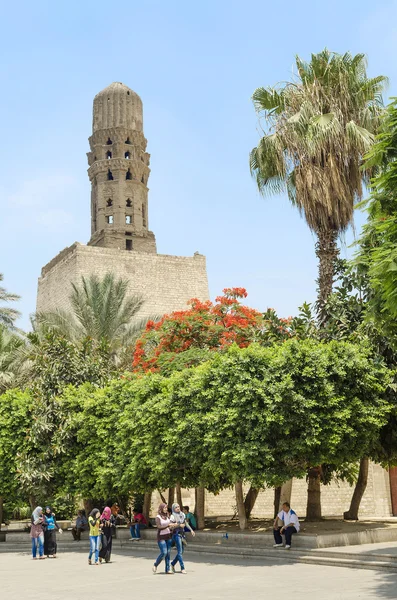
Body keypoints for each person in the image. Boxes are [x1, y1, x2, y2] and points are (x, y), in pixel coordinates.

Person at [152, 502, 178, 574]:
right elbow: (159, 527)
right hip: (161, 537)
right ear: (161, 508)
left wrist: (173, 526)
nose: (166, 509)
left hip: (168, 536)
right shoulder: (158, 517)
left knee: (168, 553)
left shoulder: (167, 516)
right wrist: (168, 525)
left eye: (166, 508)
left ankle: (167, 569)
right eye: (164, 508)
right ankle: (155, 564)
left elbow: (169, 526)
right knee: (164, 552)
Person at [170, 503, 195, 573]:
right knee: (180, 552)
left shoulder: (182, 514)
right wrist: (179, 525)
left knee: (181, 551)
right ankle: (182, 568)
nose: (178, 508)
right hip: (176, 535)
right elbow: (171, 527)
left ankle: (172, 564)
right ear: (173, 509)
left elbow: (185, 523)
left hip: (182, 535)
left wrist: (191, 530)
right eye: (176, 507)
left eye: (178, 507)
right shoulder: (172, 516)